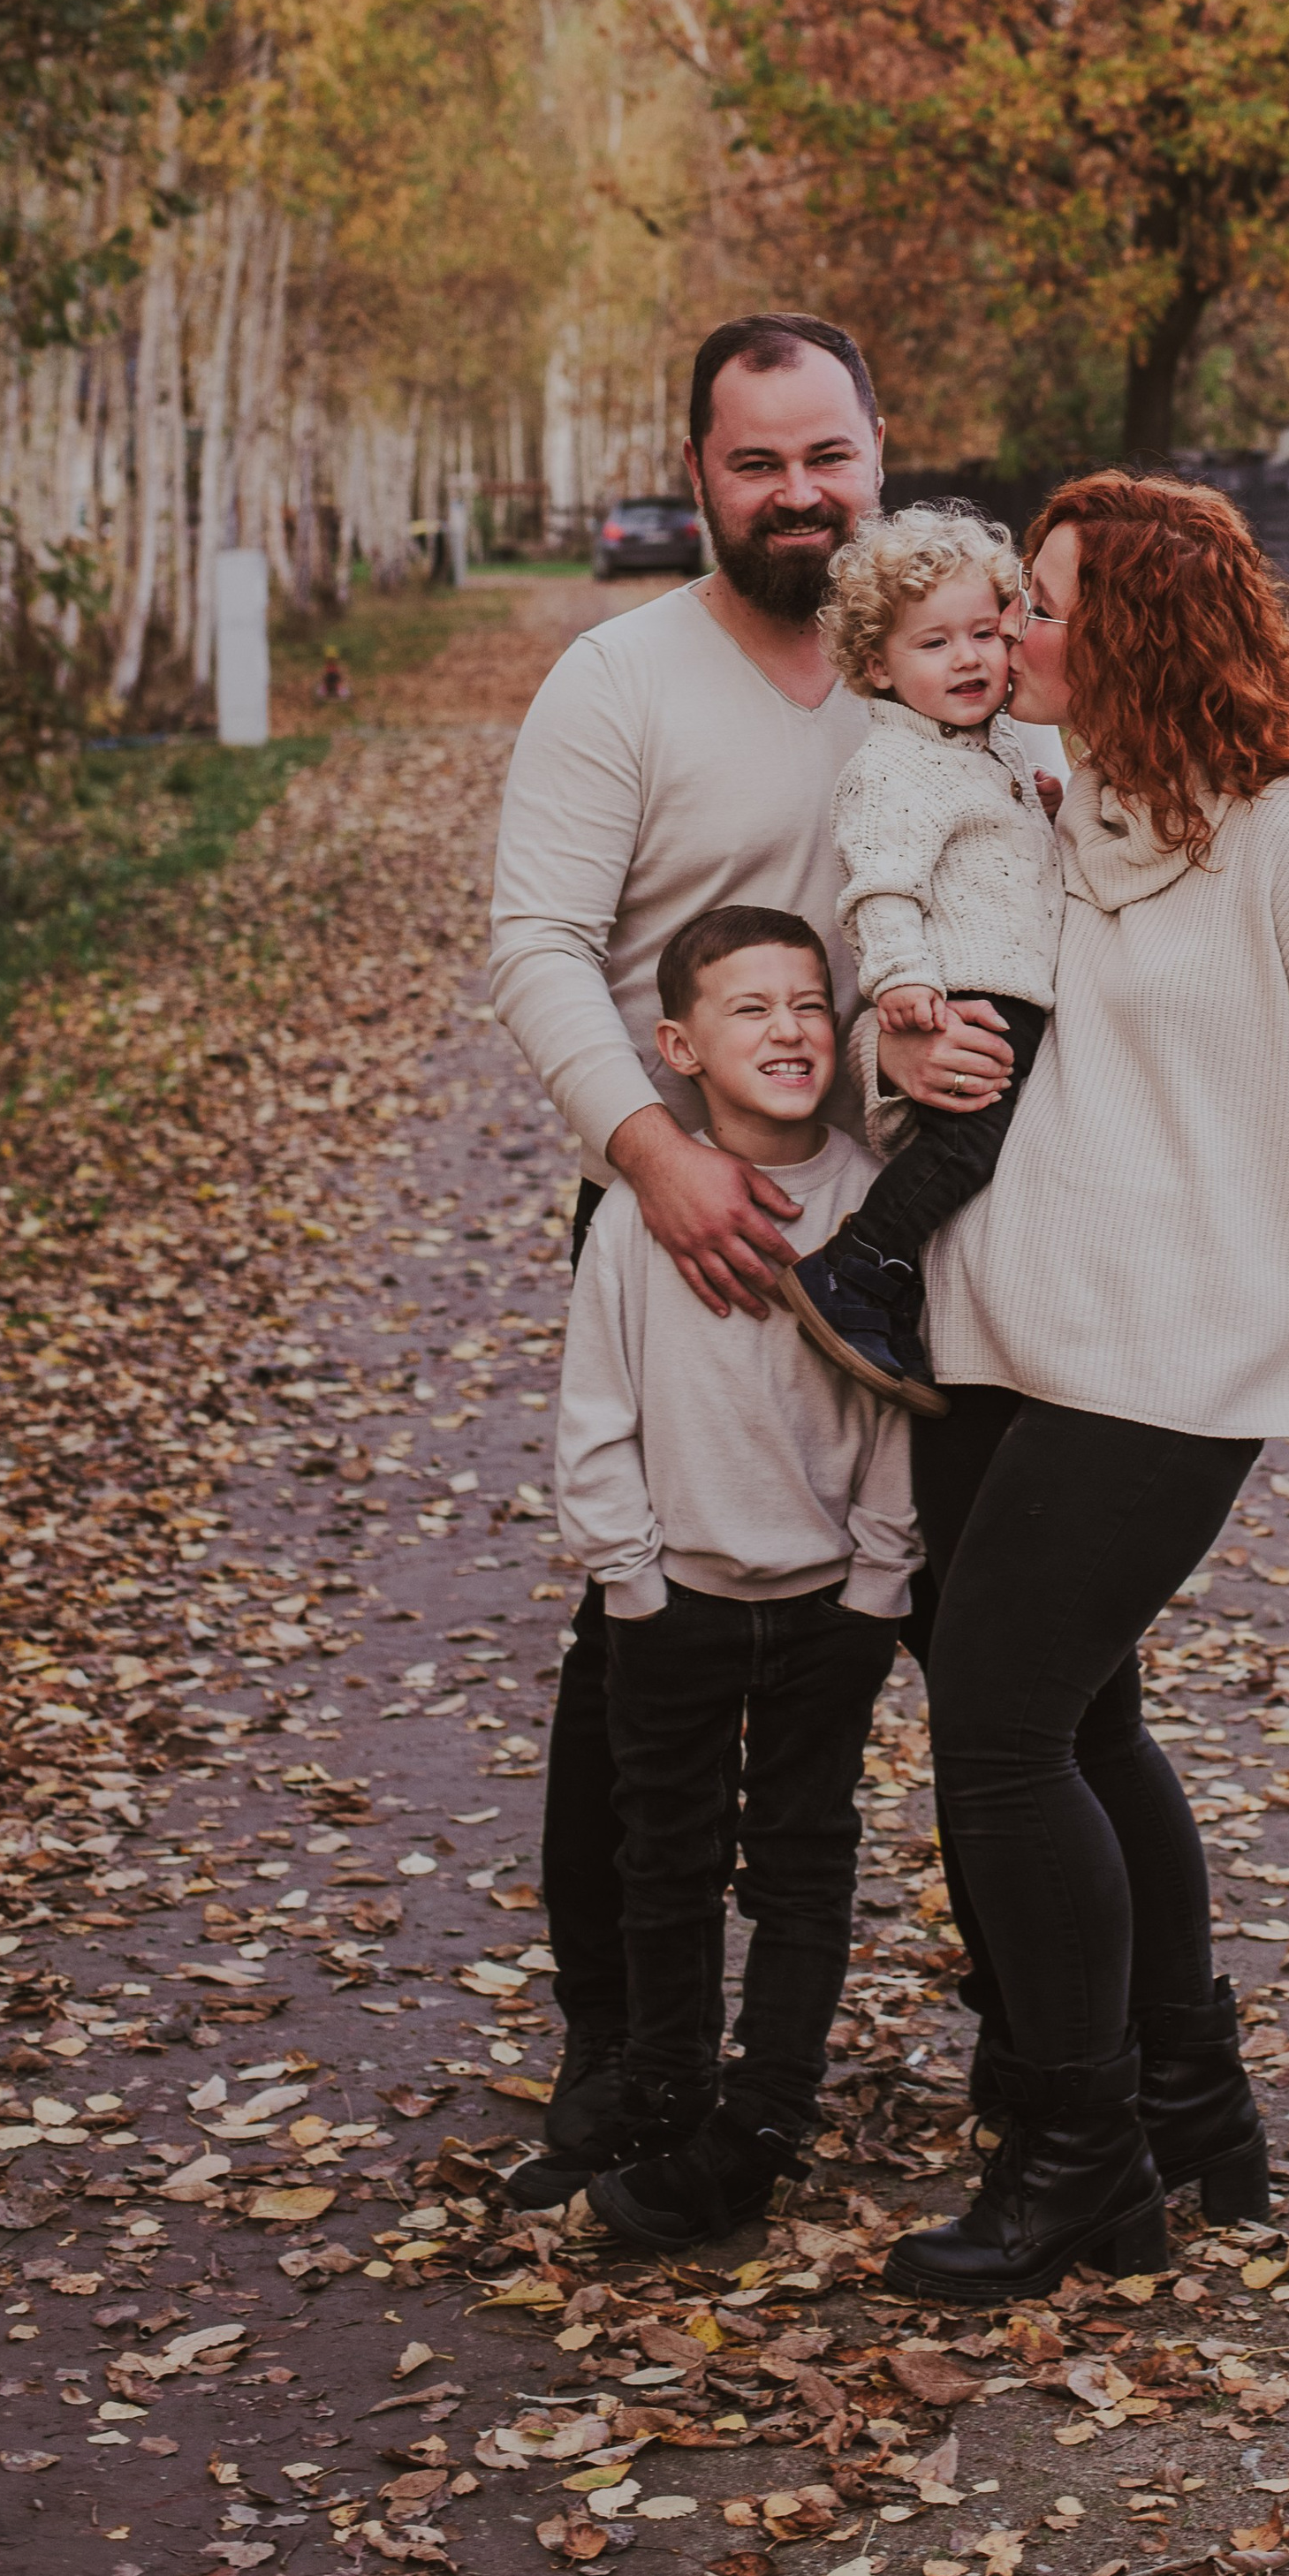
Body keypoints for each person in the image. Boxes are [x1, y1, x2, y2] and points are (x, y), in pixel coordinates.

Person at [872, 471, 1289, 2307]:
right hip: (1000, 1344)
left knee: (995, 1732)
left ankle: (1078, 2155)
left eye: (1051, 602)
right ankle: (1188, 2106)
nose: (1016, 633)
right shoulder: (1058, 811)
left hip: (1169, 1366)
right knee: (1074, 1726)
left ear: (1143, 625)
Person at [489, 312, 1019, 2210]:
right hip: (681, 1210)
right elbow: (537, 944)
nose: (796, 494)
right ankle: (622, 2049)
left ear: (880, 453)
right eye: (754, 462)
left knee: (966, 1629)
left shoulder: (951, 667)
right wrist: (653, 1158)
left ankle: (1056, 2058)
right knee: (639, 1647)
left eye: (826, 457)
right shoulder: (617, 682)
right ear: (697, 472)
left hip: (918, 1237)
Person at [549, 905, 917, 2242]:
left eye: (809, 1002)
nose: (787, 1027)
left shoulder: (877, 1197)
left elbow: (894, 1408)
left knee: (806, 1858)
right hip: (678, 1601)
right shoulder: (643, 1219)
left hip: (830, 1605)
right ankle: (662, 2090)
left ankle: (766, 2106)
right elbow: (596, 1414)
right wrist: (631, 1579)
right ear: (677, 1044)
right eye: (749, 1007)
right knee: (666, 1856)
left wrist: (880, 1583)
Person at [782, 504, 1065, 1414]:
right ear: (877, 665)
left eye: (986, 632)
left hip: (1017, 981)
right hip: (965, 987)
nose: (970, 659)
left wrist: (1047, 813)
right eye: (935, 643)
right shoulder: (891, 765)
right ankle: (855, 1272)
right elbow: (880, 884)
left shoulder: (1001, 741)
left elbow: (996, 854)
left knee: (994, 1147)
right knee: (969, 1142)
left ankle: (898, 1283)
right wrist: (901, 976)